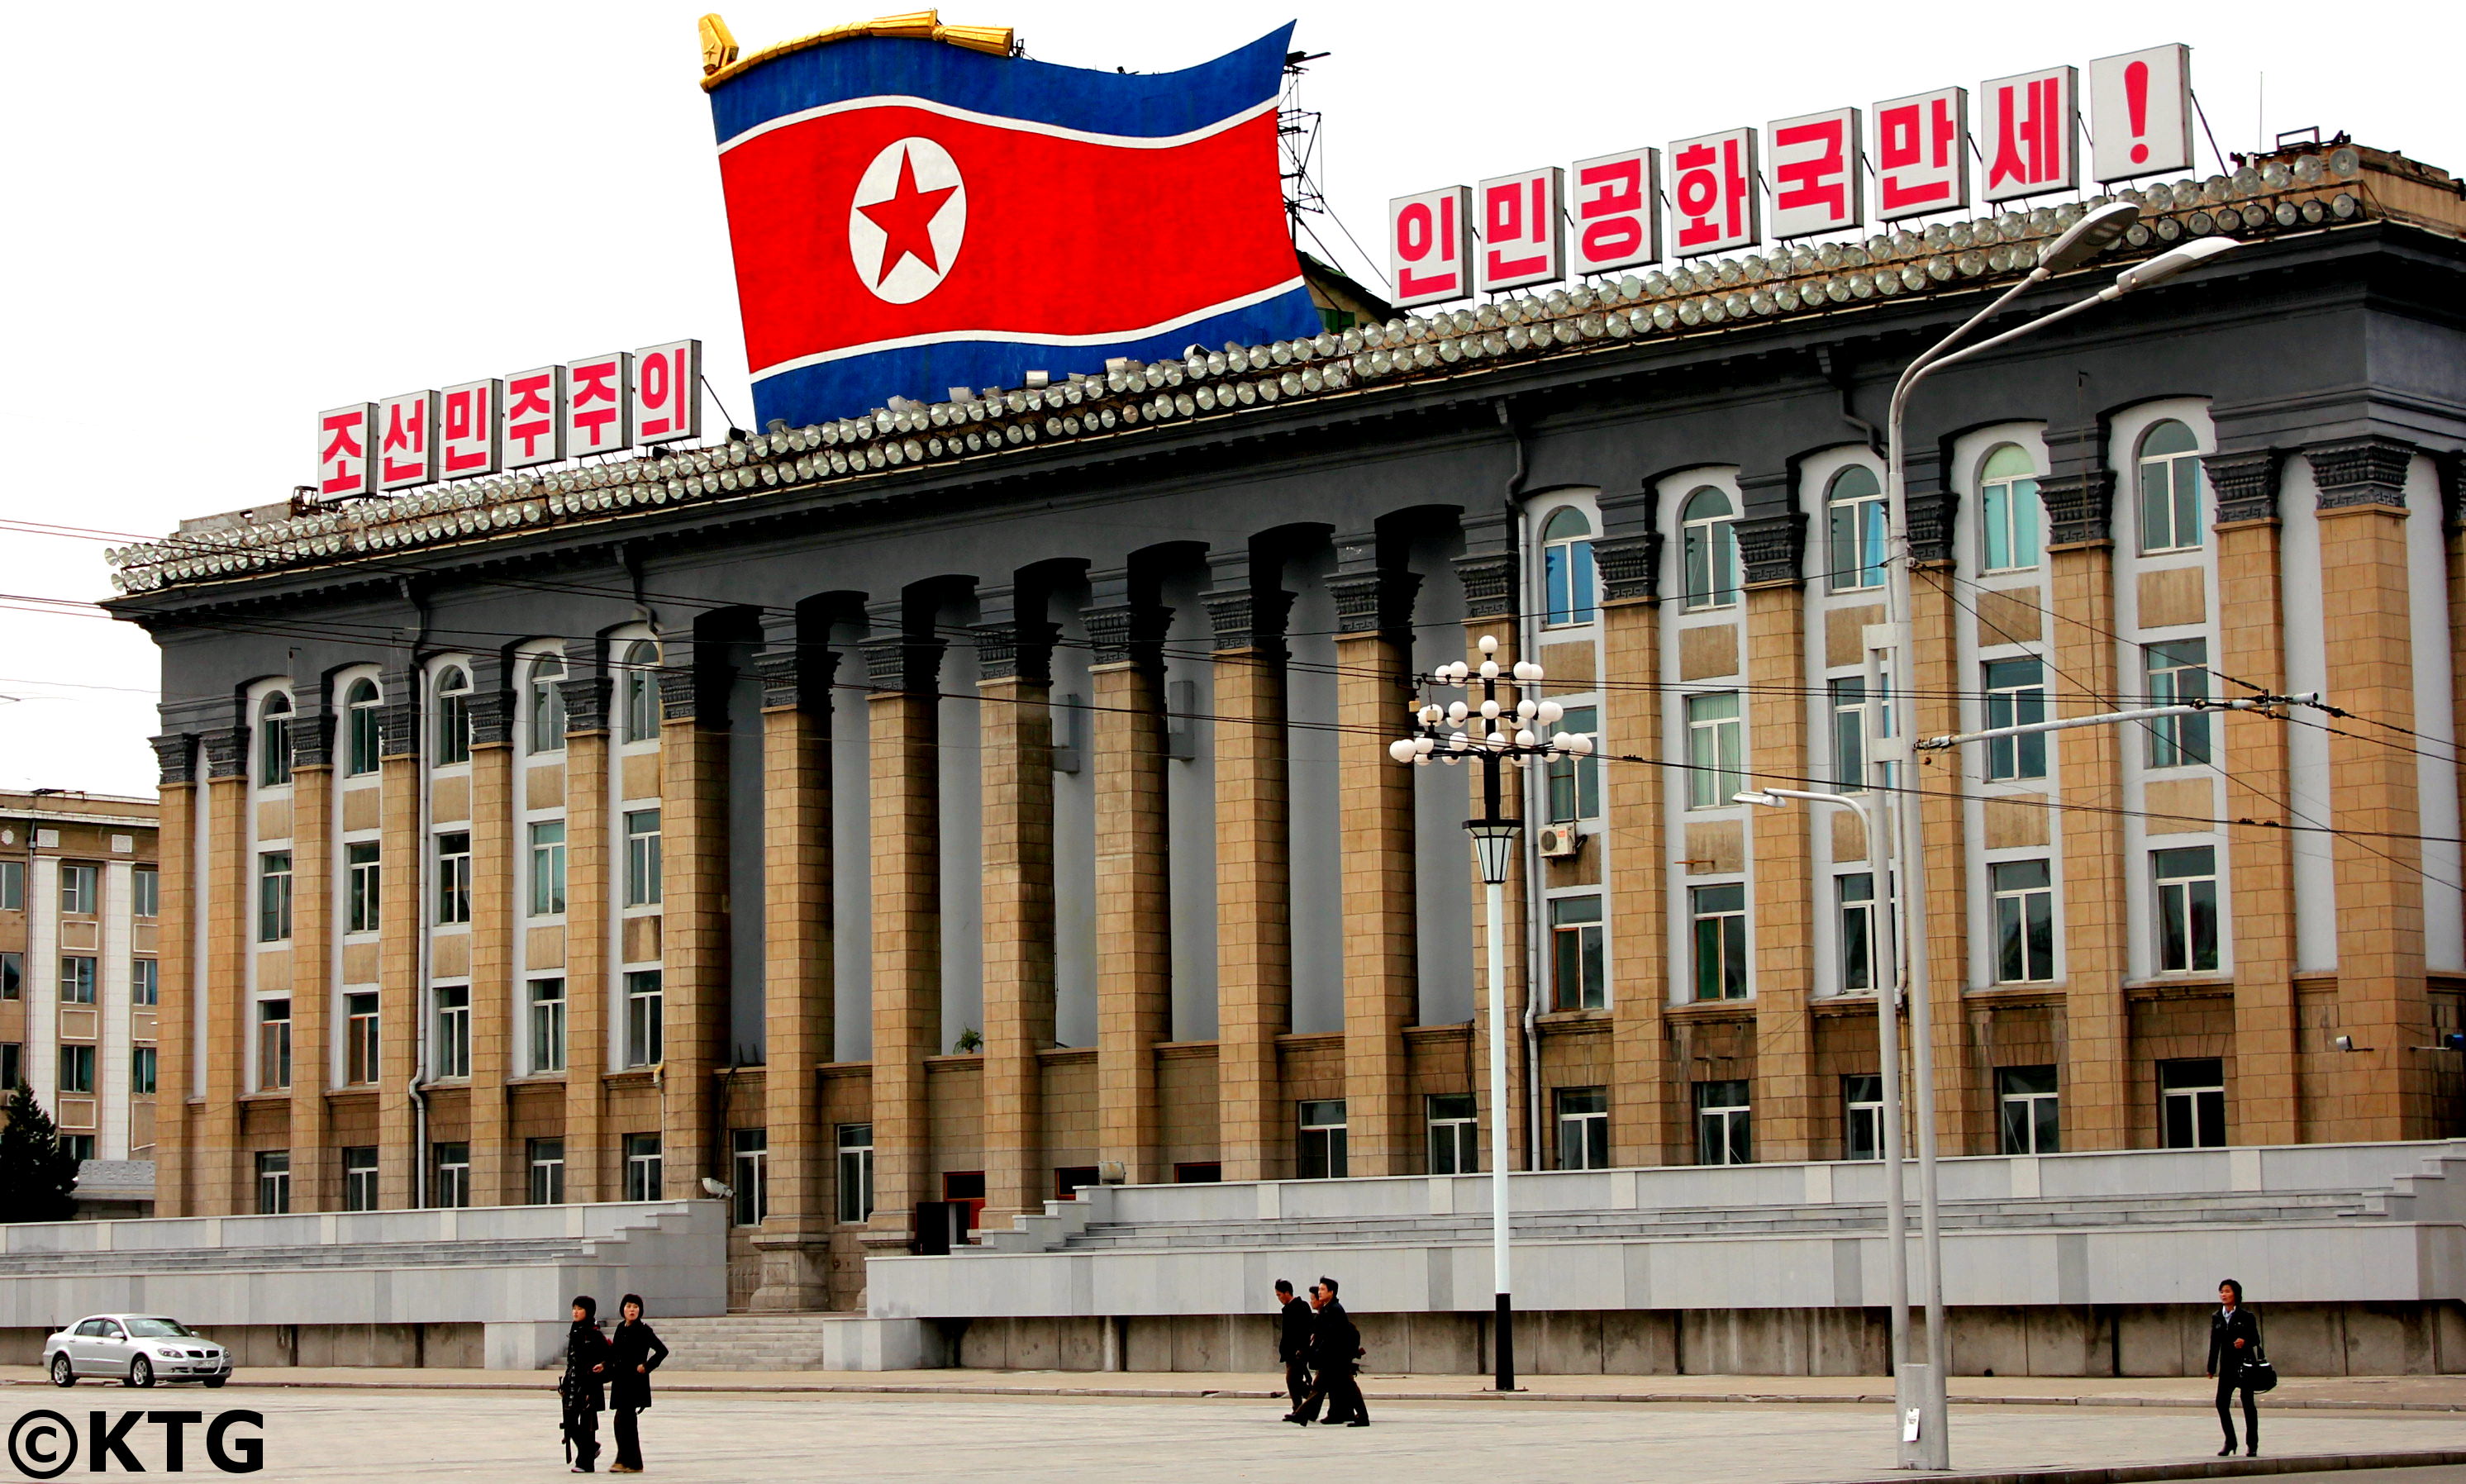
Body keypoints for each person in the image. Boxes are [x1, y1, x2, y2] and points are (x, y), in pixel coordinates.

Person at [1293, 1277, 1369, 1427]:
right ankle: (1303, 1415)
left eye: (1322, 1290)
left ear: (1331, 1292)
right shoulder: (1329, 1308)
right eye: (1319, 1289)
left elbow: (1331, 1337)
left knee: (1331, 1387)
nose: (1319, 1292)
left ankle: (1302, 1414)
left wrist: (1317, 1353)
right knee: (1328, 1387)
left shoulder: (1334, 1310)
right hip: (1333, 1358)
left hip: (1336, 1358)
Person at [607, 1293, 669, 1474]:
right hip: (620, 1379)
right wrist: (604, 1365)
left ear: (640, 1310)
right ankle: (630, 1461)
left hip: (635, 1380)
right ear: (623, 1310)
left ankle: (628, 1461)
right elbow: (614, 1352)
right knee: (622, 1421)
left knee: (625, 1420)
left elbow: (662, 1351)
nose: (632, 1310)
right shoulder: (620, 1328)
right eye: (628, 1307)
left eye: (635, 1307)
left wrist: (646, 1366)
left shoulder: (643, 1330)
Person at [2207, 1277, 2263, 1458]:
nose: (2224, 1294)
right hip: (2227, 1366)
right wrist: (2211, 1366)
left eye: (2228, 1291)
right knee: (2221, 1403)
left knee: (2248, 1404)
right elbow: (2215, 1343)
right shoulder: (2217, 1316)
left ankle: (2252, 1444)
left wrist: (2245, 1341)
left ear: (2236, 1294)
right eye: (2222, 1291)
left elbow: (2256, 1339)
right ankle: (2230, 1441)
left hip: (2245, 1364)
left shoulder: (2247, 1316)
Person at [559, 1296, 612, 1473]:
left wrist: (603, 1365)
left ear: (588, 1312)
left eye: (580, 1309)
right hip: (573, 1383)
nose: (575, 1312)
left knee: (588, 1424)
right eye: (574, 1308)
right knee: (570, 1422)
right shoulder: (575, 1331)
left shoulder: (594, 1333)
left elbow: (609, 1355)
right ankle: (591, 1447)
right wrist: (565, 1384)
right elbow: (571, 1361)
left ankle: (585, 1462)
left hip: (589, 1383)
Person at [1274, 1280, 1315, 1421]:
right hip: (1289, 1352)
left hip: (1298, 1352)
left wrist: (1302, 1349)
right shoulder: (1288, 1309)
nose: (1279, 1298)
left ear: (1287, 1293)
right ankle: (1304, 1404)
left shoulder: (1301, 1307)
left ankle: (1301, 1406)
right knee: (1294, 1381)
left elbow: (1307, 1330)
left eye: (1279, 1295)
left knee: (1292, 1380)